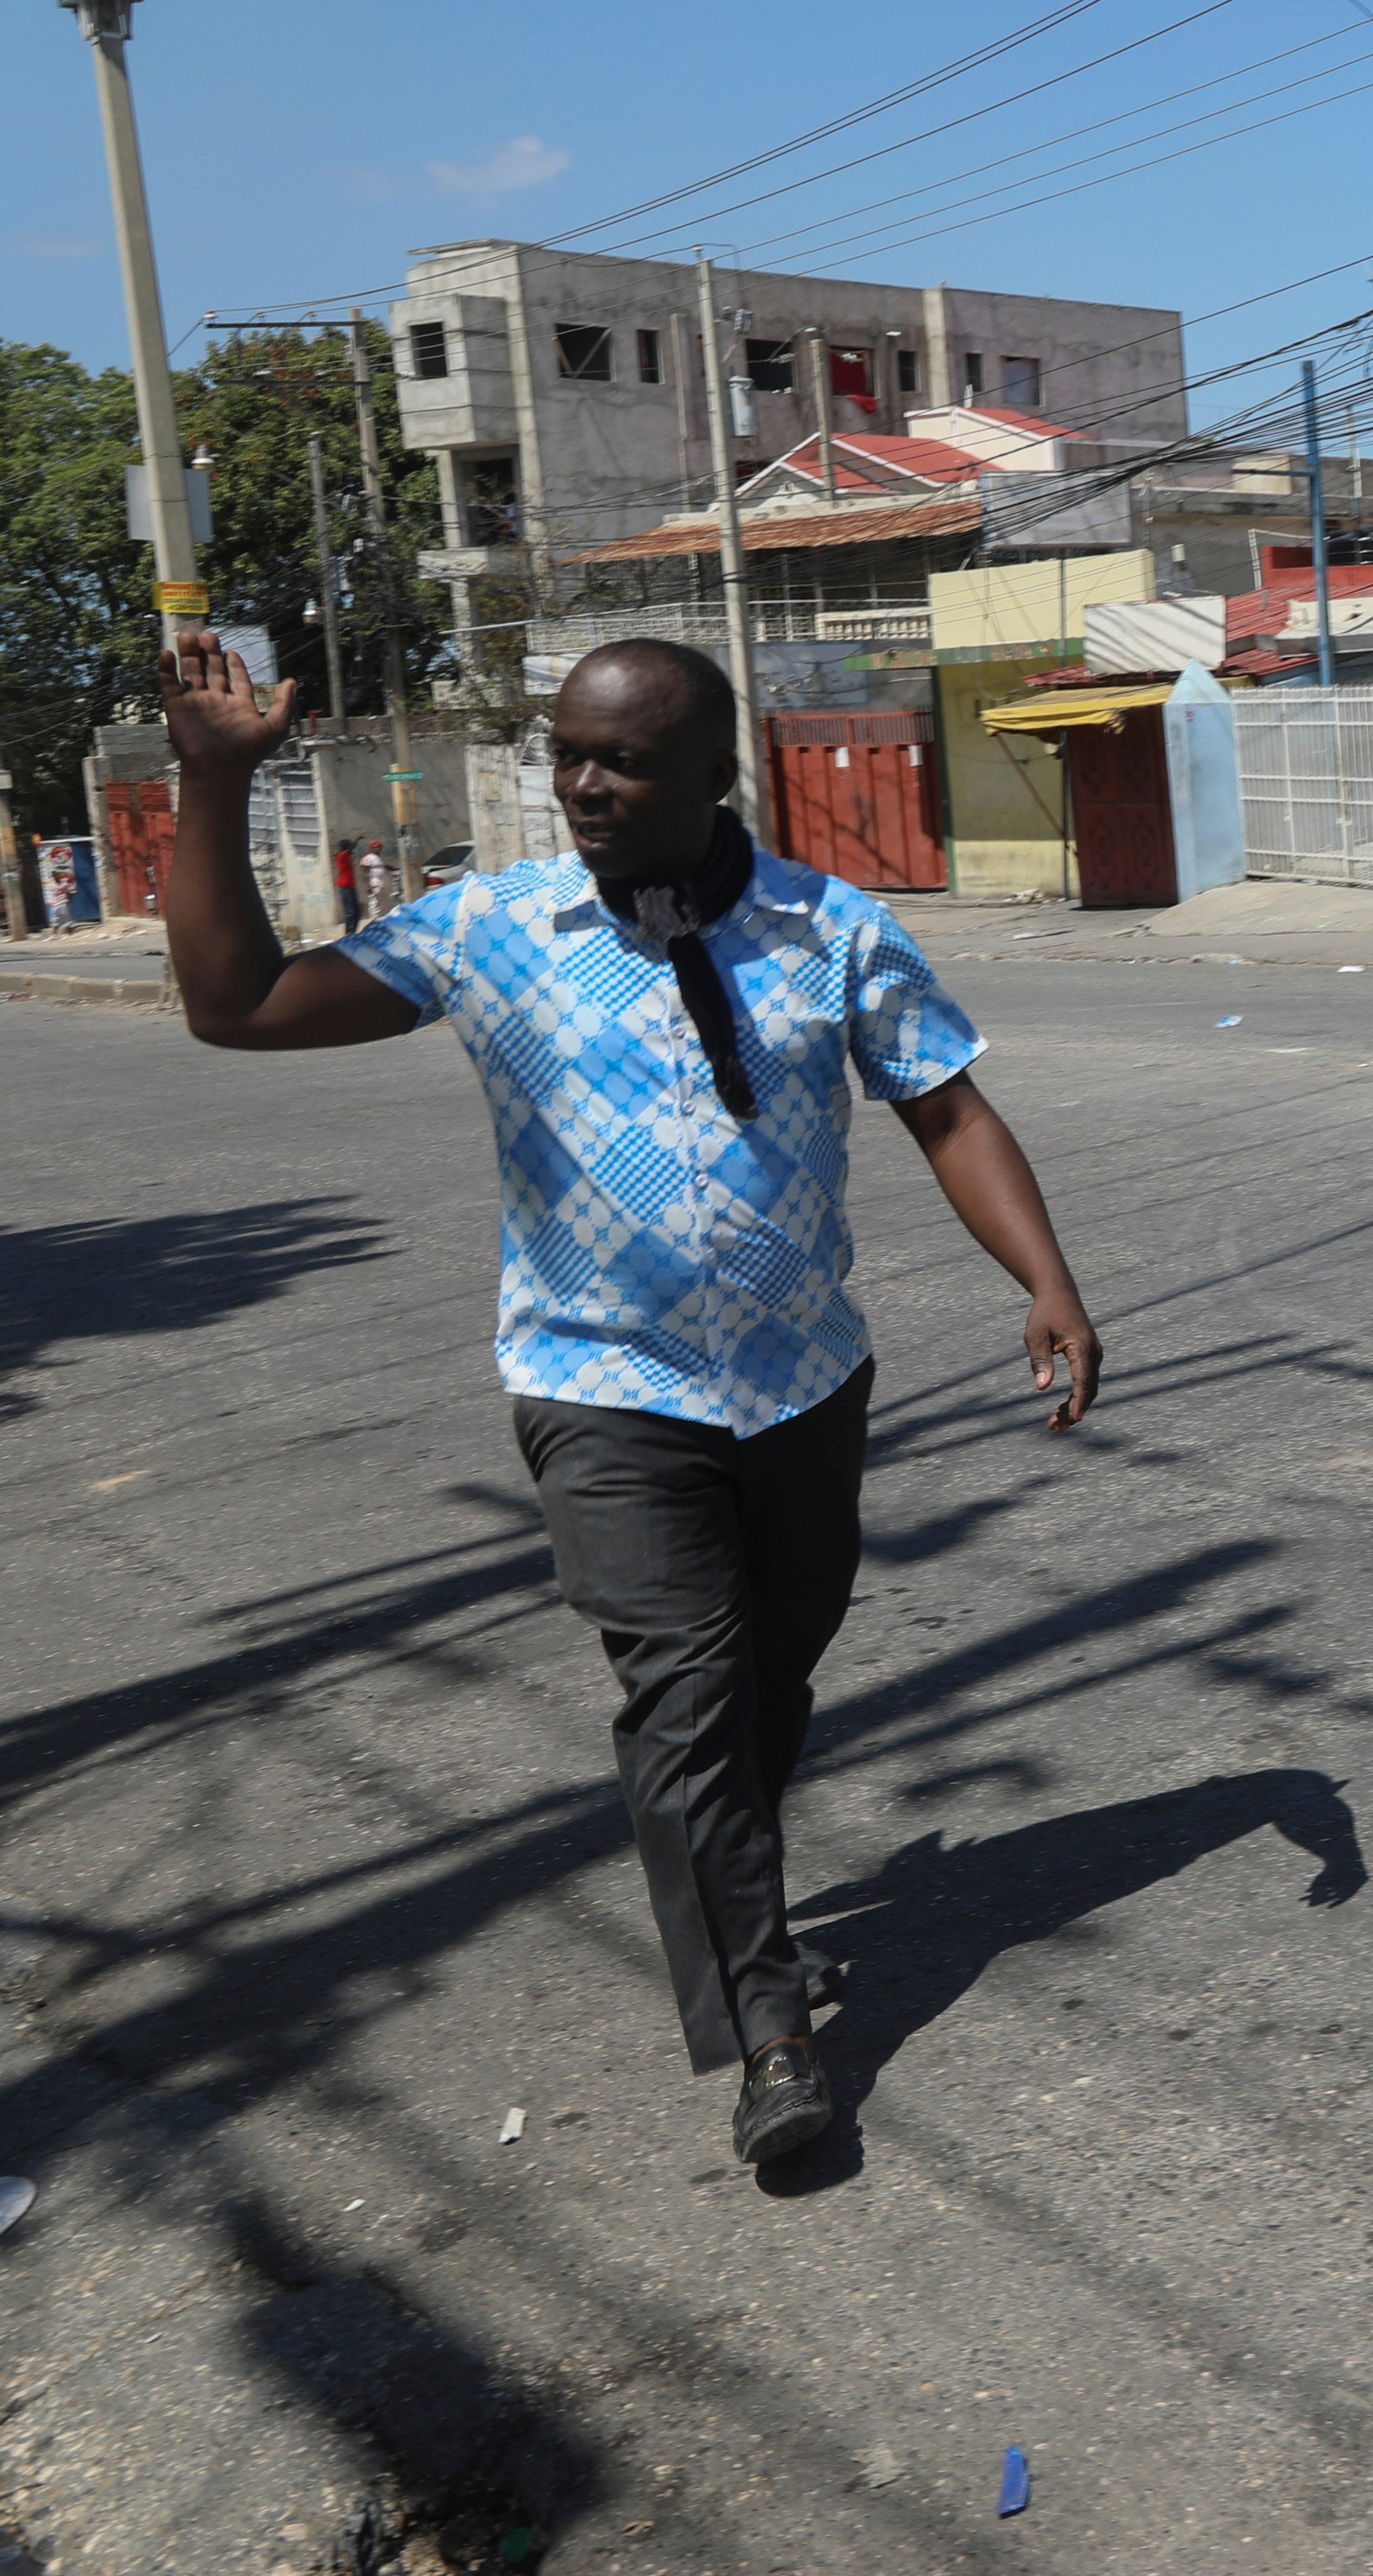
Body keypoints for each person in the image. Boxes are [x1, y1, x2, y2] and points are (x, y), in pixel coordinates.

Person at [153, 633, 1103, 2168]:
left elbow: (944, 1105)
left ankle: (744, 1902)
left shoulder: (829, 930)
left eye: (623, 760)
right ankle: (770, 2033)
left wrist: (1044, 1281)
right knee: (688, 1699)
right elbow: (237, 1004)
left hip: (804, 1382)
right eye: (567, 755)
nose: (583, 786)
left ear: (714, 773)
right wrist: (210, 785)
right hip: (599, 1389)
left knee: (768, 1686)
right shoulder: (493, 930)